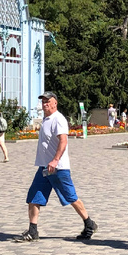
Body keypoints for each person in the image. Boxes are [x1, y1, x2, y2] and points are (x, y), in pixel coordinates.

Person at [16, 92, 97, 242]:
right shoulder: (46, 119)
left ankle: (89, 224)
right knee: (34, 197)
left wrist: (55, 160)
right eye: (43, 101)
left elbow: (63, 141)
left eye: (48, 101)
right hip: (44, 168)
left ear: (55, 103)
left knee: (71, 197)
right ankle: (33, 231)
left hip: (58, 168)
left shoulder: (58, 119)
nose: (45, 103)